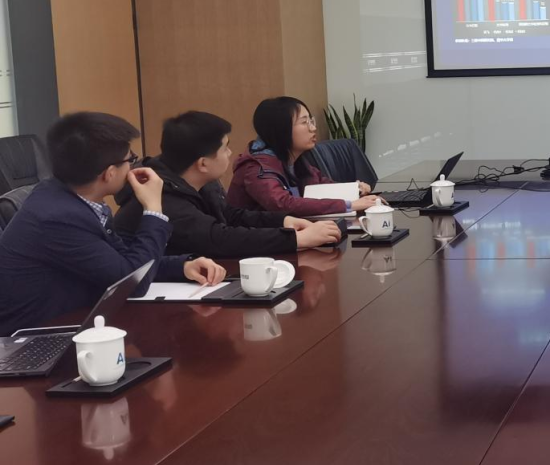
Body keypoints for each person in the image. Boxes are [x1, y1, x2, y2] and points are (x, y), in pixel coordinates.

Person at [0, 112, 225, 336]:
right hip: (31, 341)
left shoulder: (71, 197)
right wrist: (153, 209)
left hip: (73, 325)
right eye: (131, 159)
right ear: (109, 173)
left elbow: (123, 262)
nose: (133, 166)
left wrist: (181, 267)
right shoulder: (58, 218)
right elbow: (132, 283)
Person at [115, 112, 343, 258]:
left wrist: (283, 221)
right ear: (203, 163)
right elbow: (219, 238)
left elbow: (230, 215)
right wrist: (296, 239)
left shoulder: (200, 181)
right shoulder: (162, 196)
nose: (230, 153)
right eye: (225, 148)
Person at [226, 97, 382, 218]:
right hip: (259, 245)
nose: (313, 128)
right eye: (304, 122)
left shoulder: (294, 159)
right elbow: (284, 204)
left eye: (311, 121)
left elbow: (320, 185)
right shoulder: (255, 168)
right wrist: (349, 205)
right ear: (281, 129)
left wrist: (355, 190)